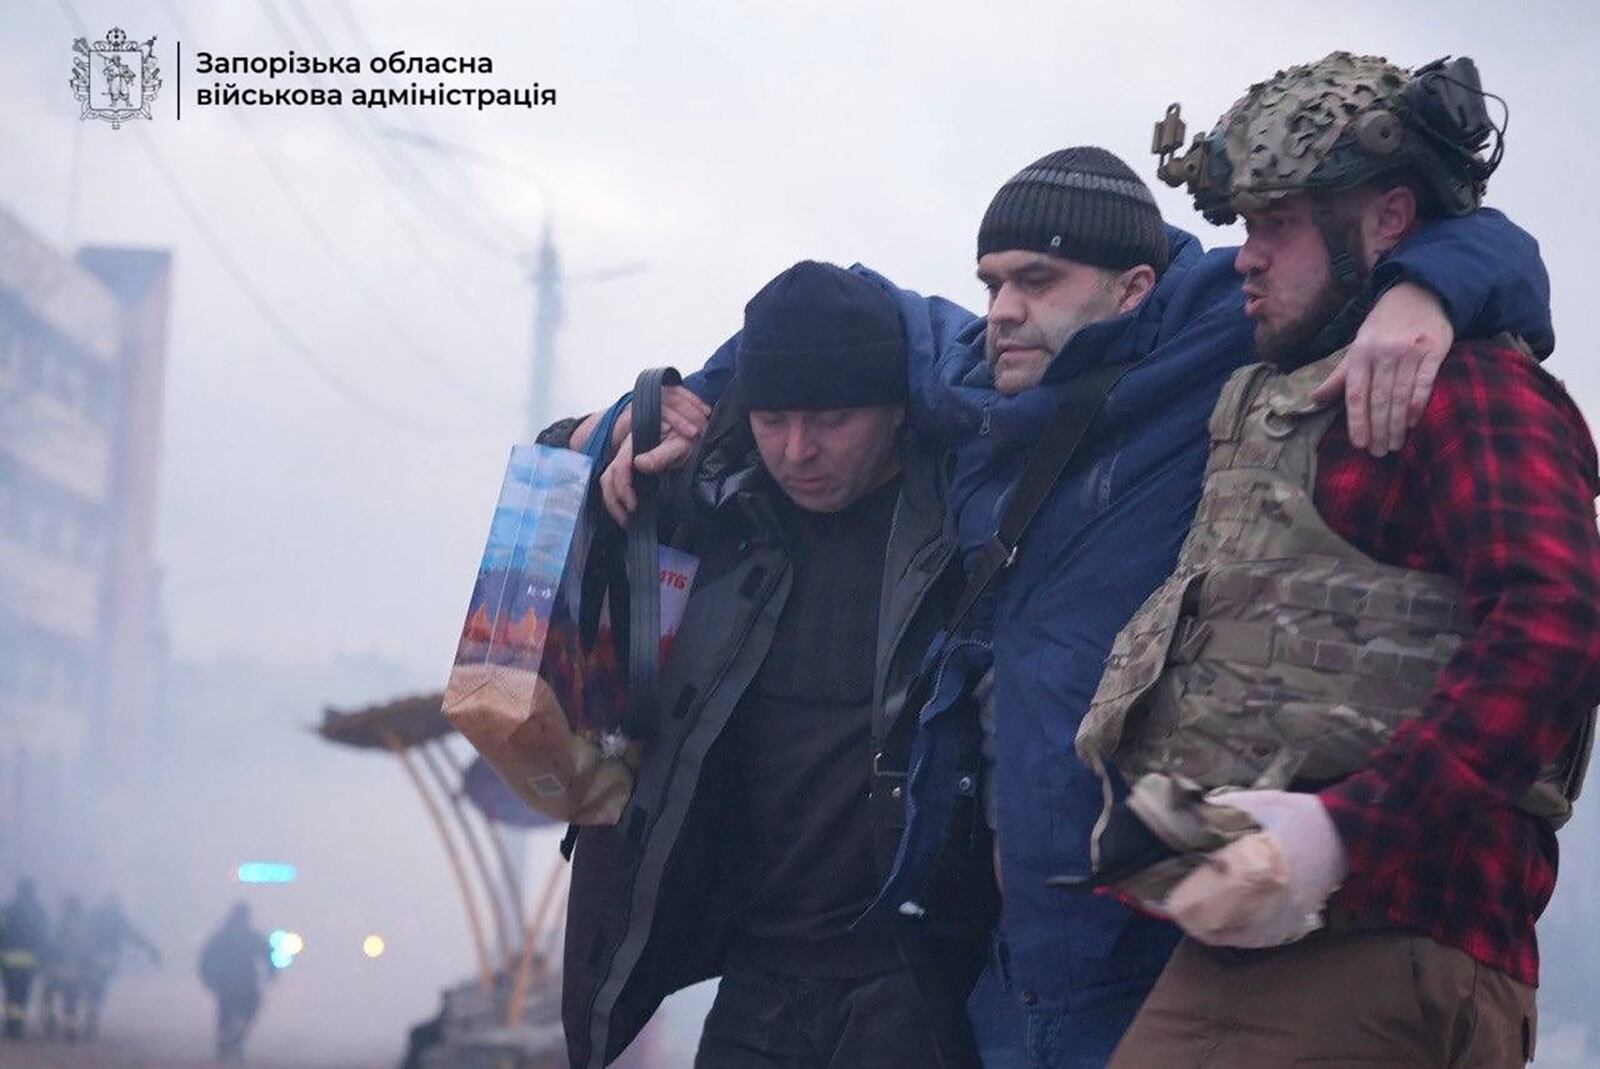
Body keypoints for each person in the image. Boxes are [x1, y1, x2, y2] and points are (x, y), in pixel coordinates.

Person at [578, 144, 1548, 1066]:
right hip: (1007, 960)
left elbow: (1469, 244)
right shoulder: (968, 378)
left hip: (1156, 938)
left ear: (1133, 287)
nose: (1003, 306)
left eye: (1037, 281)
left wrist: (1422, 289)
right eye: (992, 278)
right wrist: (663, 399)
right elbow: (816, 318)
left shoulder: (1213, 332)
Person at [1070, 52, 1600, 1067]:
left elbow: (1556, 630)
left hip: (1387, 949)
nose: (1245, 258)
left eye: (1277, 225)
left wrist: (1343, 835)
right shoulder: (1283, 388)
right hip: (1251, 942)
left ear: (1388, 221)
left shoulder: (1471, 389)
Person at [549, 261, 995, 1069]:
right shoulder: (721, 509)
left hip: (912, 980)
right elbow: (547, 463)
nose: (798, 450)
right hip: (756, 979)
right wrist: (622, 419)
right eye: (773, 418)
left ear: (897, 410)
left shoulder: (964, 523)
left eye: (830, 420)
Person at [198, 903, 274, 1062]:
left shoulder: (228, 936)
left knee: (241, 1013)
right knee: (237, 1014)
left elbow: (266, 953)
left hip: (235, 984)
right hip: (235, 983)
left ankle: (232, 1043)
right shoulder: (234, 936)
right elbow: (206, 959)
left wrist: (208, 978)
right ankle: (229, 1045)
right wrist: (271, 972)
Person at [81, 895, 161, 1041]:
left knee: (91, 984)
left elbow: (83, 934)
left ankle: (91, 1007)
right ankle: (93, 1009)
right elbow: (134, 935)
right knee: (100, 986)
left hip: (93, 956)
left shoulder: (95, 917)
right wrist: (151, 949)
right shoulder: (117, 919)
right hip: (109, 957)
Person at [0, 877, 49, 1040]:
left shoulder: (8, 909)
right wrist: (43, 957)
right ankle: (18, 1027)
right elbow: (43, 936)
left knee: (10, 993)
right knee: (22, 994)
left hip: (8, 959)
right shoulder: (39, 911)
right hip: (29, 961)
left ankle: (10, 1025)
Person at [40, 894, 86, 1041]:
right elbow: (86, 951)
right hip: (73, 970)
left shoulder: (56, 924)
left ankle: (50, 1020)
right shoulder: (81, 927)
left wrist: (44, 963)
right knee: (71, 1002)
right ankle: (71, 1032)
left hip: (54, 969)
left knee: (47, 996)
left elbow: (47, 944)